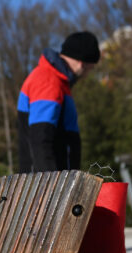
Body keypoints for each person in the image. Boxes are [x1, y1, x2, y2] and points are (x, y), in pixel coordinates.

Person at [17, 31, 100, 173]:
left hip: (55, 180)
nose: (87, 75)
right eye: (90, 69)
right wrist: (50, 185)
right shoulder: (49, 81)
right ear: (82, 64)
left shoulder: (59, 82)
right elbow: (40, 138)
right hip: (46, 185)